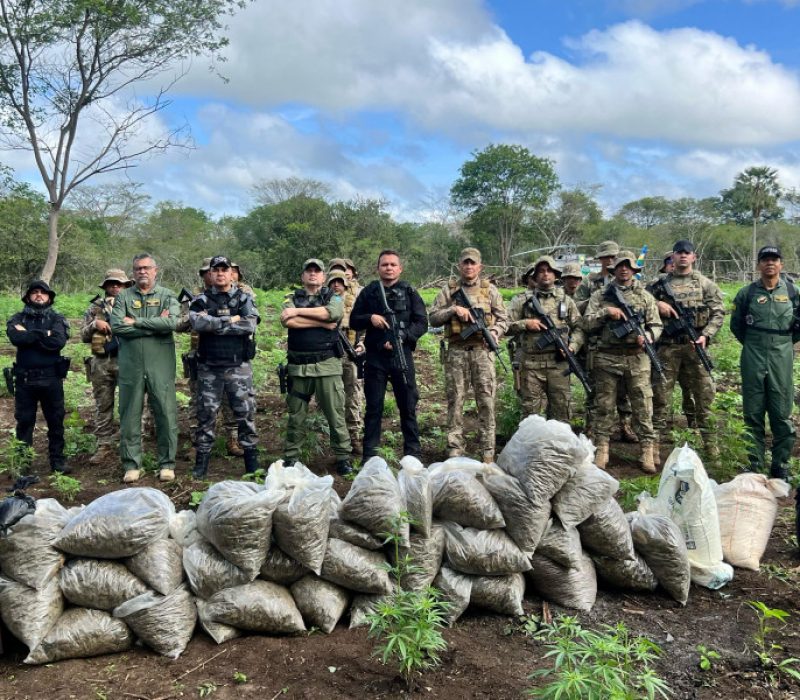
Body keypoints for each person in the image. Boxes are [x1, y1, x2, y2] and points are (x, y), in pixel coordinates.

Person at [581, 251, 662, 472]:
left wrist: (649, 336)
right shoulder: (600, 295)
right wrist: (606, 313)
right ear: (613, 269)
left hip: (637, 357)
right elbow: (586, 323)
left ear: (634, 270)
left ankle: (646, 449)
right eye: (620, 266)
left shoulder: (645, 296)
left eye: (628, 266)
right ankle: (602, 448)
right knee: (604, 405)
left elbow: (656, 324)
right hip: (607, 356)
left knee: (643, 405)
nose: (624, 269)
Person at [648, 240, 725, 464]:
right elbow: (638, 301)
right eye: (678, 253)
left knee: (704, 397)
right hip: (667, 349)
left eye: (687, 253)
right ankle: (653, 448)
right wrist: (656, 304)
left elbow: (718, 312)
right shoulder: (658, 284)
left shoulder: (705, 284)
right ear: (672, 257)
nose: (683, 256)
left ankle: (712, 448)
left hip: (695, 347)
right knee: (660, 398)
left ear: (694, 257)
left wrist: (706, 335)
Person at [429, 247, 508, 462]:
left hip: (482, 352)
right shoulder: (449, 290)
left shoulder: (489, 290)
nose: (469, 267)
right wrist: (453, 310)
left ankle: (487, 449)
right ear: (459, 266)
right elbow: (433, 318)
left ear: (479, 266)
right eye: (465, 263)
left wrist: (494, 331)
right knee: (455, 401)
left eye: (473, 263)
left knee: (486, 400)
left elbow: (504, 319)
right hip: (456, 353)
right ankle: (454, 448)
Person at [350, 250, 428, 460]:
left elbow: (422, 322)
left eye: (393, 264)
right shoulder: (369, 292)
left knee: (408, 406)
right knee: (374, 408)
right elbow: (354, 321)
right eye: (385, 265)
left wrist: (403, 336)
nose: (389, 268)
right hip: (375, 358)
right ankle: (370, 456)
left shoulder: (410, 291)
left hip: (401, 356)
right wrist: (371, 318)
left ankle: (413, 454)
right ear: (378, 268)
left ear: (400, 269)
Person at [730, 245, 800, 479]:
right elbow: (736, 325)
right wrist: (754, 344)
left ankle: (780, 465)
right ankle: (754, 463)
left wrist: (783, 342)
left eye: (774, 259)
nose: (770, 263)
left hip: (782, 354)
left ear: (781, 264)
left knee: (781, 412)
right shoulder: (747, 293)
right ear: (758, 264)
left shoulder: (792, 292)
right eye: (765, 259)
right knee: (753, 411)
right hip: (753, 354)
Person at [111, 253, 180, 483]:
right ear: (133, 272)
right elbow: (118, 326)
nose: (142, 271)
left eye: (146, 268)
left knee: (165, 412)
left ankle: (167, 463)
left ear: (155, 270)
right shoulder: (123, 297)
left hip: (160, 364)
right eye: (138, 268)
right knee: (129, 413)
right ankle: (132, 464)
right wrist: (155, 326)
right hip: (131, 364)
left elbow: (172, 323)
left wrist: (138, 322)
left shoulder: (167, 295)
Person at [190, 256, 260, 478]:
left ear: (232, 274)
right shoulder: (200, 299)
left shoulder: (243, 298)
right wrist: (229, 320)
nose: (220, 273)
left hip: (238, 366)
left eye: (224, 269)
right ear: (209, 274)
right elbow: (196, 322)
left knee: (246, 414)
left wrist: (213, 323)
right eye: (215, 270)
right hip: (209, 367)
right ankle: (201, 467)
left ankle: (252, 465)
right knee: (206, 415)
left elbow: (249, 324)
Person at [280, 259, 352, 475]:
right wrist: (320, 323)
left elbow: (333, 314)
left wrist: (298, 313)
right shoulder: (291, 298)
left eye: (317, 271)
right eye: (308, 271)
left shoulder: (333, 297)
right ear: (303, 276)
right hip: (299, 368)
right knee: (296, 416)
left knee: (335, 415)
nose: (312, 274)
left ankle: (342, 457)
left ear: (323, 277)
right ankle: (291, 457)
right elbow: (287, 321)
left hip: (326, 366)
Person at [507, 256, 583, 422]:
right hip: (531, 365)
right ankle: (531, 447)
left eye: (549, 271)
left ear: (556, 275)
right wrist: (525, 323)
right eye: (541, 271)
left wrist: (572, 346)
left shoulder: (566, 301)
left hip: (559, 365)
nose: (545, 274)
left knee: (561, 414)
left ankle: (556, 447)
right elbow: (505, 326)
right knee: (530, 415)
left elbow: (579, 327)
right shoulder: (521, 300)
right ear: (534, 276)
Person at [575, 240, 636, 443]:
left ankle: (625, 425)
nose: (609, 260)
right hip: (596, 342)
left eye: (613, 257)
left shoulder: (630, 280)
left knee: (624, 390)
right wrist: (599, 301)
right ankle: (593, 429)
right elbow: (576, 309)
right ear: (600, 259)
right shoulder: (590, 282)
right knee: (597, 389)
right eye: (605, 257)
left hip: (625, 344)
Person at [7, 280, 70, 473]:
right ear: (28, 296)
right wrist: (44, 334)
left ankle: (57, 462)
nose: (39, 295)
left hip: (52, 378)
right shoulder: (17, 318)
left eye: (43, 292)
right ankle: (23, 464)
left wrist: (31, 336)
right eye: (34, 292)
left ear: (49, 297)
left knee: (56, 421)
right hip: (25, 379)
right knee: (24, 422)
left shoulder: (57, 318)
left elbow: (58, 342)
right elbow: (16, 338)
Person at [80, 269, 134, 465]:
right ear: (106, 286)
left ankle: (132, 444)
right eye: (112, 283)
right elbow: (83, 335)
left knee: (132, 404)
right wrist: (95, 324)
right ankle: (104, 445)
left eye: (119, 283)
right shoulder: (95, 308)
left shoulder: (134, 304)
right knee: (103, 405)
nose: (115, 286)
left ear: (126, 285)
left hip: (128, 361)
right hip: (102, 363)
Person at [329, 257, 364, 453]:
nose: (337, 281)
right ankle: (334, 437)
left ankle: (354, 435)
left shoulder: (357, 296)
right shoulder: (323, 297)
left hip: (350, 352)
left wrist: (361, 343)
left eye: (341, 273)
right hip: (328, 354)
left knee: (353, 396)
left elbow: (364, 325)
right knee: (331, 398)